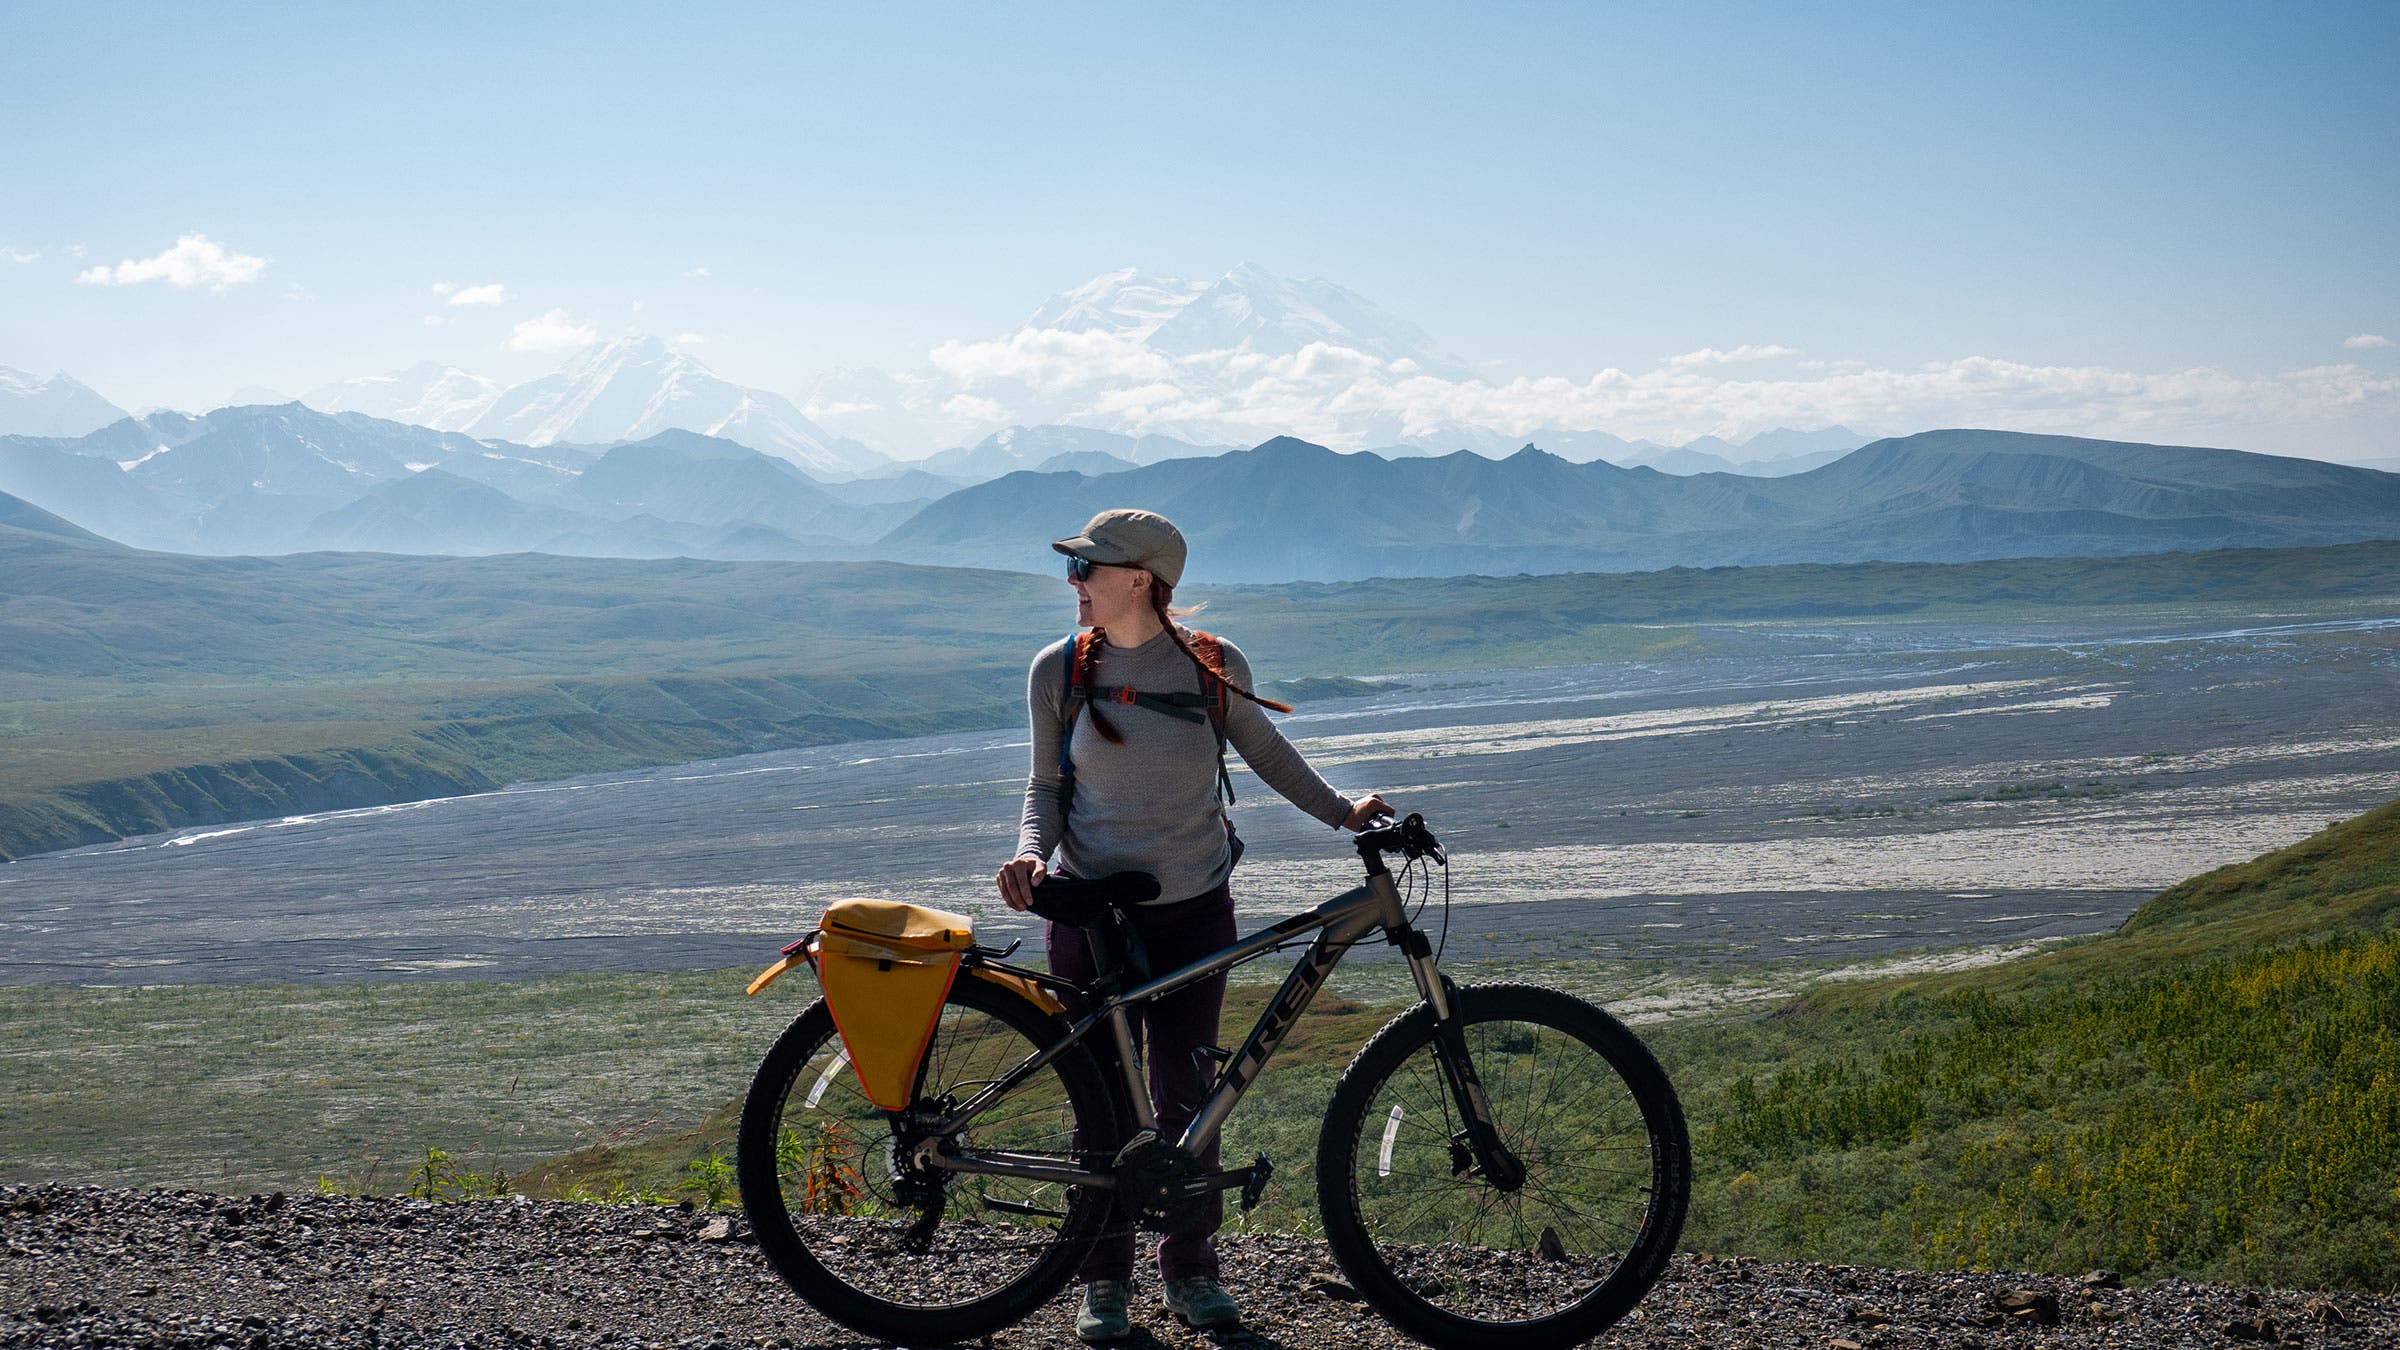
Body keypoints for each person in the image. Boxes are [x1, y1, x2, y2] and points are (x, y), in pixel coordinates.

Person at [996, 508, 1390, 1343]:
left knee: (1191, 1101)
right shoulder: (1058, 670)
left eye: (1086, 570)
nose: (1074, 582)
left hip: (1193, 912)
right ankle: (1102, 1286)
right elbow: (1045, 790)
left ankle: (1192, 1274)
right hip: (1091, 917)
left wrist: (1344, 813)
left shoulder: (1213, 666)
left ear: (1140, 580)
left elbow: (1269, 754)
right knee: (1099, 1107)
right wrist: (1030, 854)